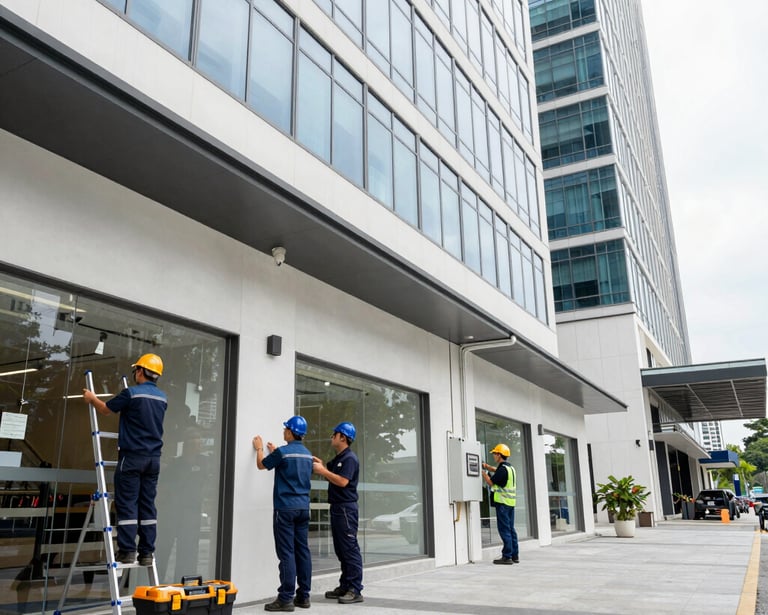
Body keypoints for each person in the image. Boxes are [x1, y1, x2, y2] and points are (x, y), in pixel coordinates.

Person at [82, 353, 167, 566]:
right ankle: (147, 553)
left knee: (128, 503)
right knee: (147, 504)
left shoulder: (131, 393)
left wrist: (91, 398)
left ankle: (127, 551)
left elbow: (105, 410)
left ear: (140, 371)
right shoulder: (162, 398)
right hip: (153, 459)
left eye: (135, 370)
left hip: (132, 457)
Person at [254, 416, 314, 612]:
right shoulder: (307, 454)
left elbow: (261, 465)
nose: (283, 432)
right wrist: (276, 453)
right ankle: (303, 596)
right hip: (303, 508)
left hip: (285, 509)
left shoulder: (283, 452)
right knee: (302, 551)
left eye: (285, 429)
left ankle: (286, 598)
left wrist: (260, 448)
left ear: (290, 432)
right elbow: (290, 468)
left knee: (287, 553)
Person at [312, 422, 364, 605]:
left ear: (343, 437)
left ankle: (355, 589)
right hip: (338, 508)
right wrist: (322, 466)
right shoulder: (341, 457)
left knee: (349, 549)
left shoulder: (349, 458)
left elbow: (342, 481)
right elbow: (332, 473)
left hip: (345, 509)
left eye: (334, 434)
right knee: (341, 550)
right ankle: (345, 585)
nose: (331, 437)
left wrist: (323, 471)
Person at [481, 443, 518, 565]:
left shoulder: (502, 470)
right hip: (510, 504)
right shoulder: (510, 468)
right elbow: (496, 470)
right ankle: (514, 555)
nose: (494, 456)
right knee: (511, 529)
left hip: (502, 504)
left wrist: (482, 472)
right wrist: (487, 466)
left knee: (504, 530)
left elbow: (491, 482)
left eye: (495, 454)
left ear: (499, 455)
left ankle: (506, 557)